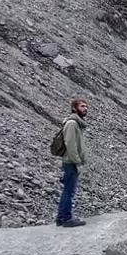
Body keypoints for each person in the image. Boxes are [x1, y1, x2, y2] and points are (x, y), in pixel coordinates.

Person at [55, 97, 89, 227]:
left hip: (71, 162)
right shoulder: (72, 124)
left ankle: (61, 217)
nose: (85, 109)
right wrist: (77, 162)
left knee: (68, 190)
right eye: (82, 106)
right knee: (70, 191)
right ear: (74, 108)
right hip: (71, 162)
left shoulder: (76, 123)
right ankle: (66, 218)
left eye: (86, 107)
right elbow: (70, 144)